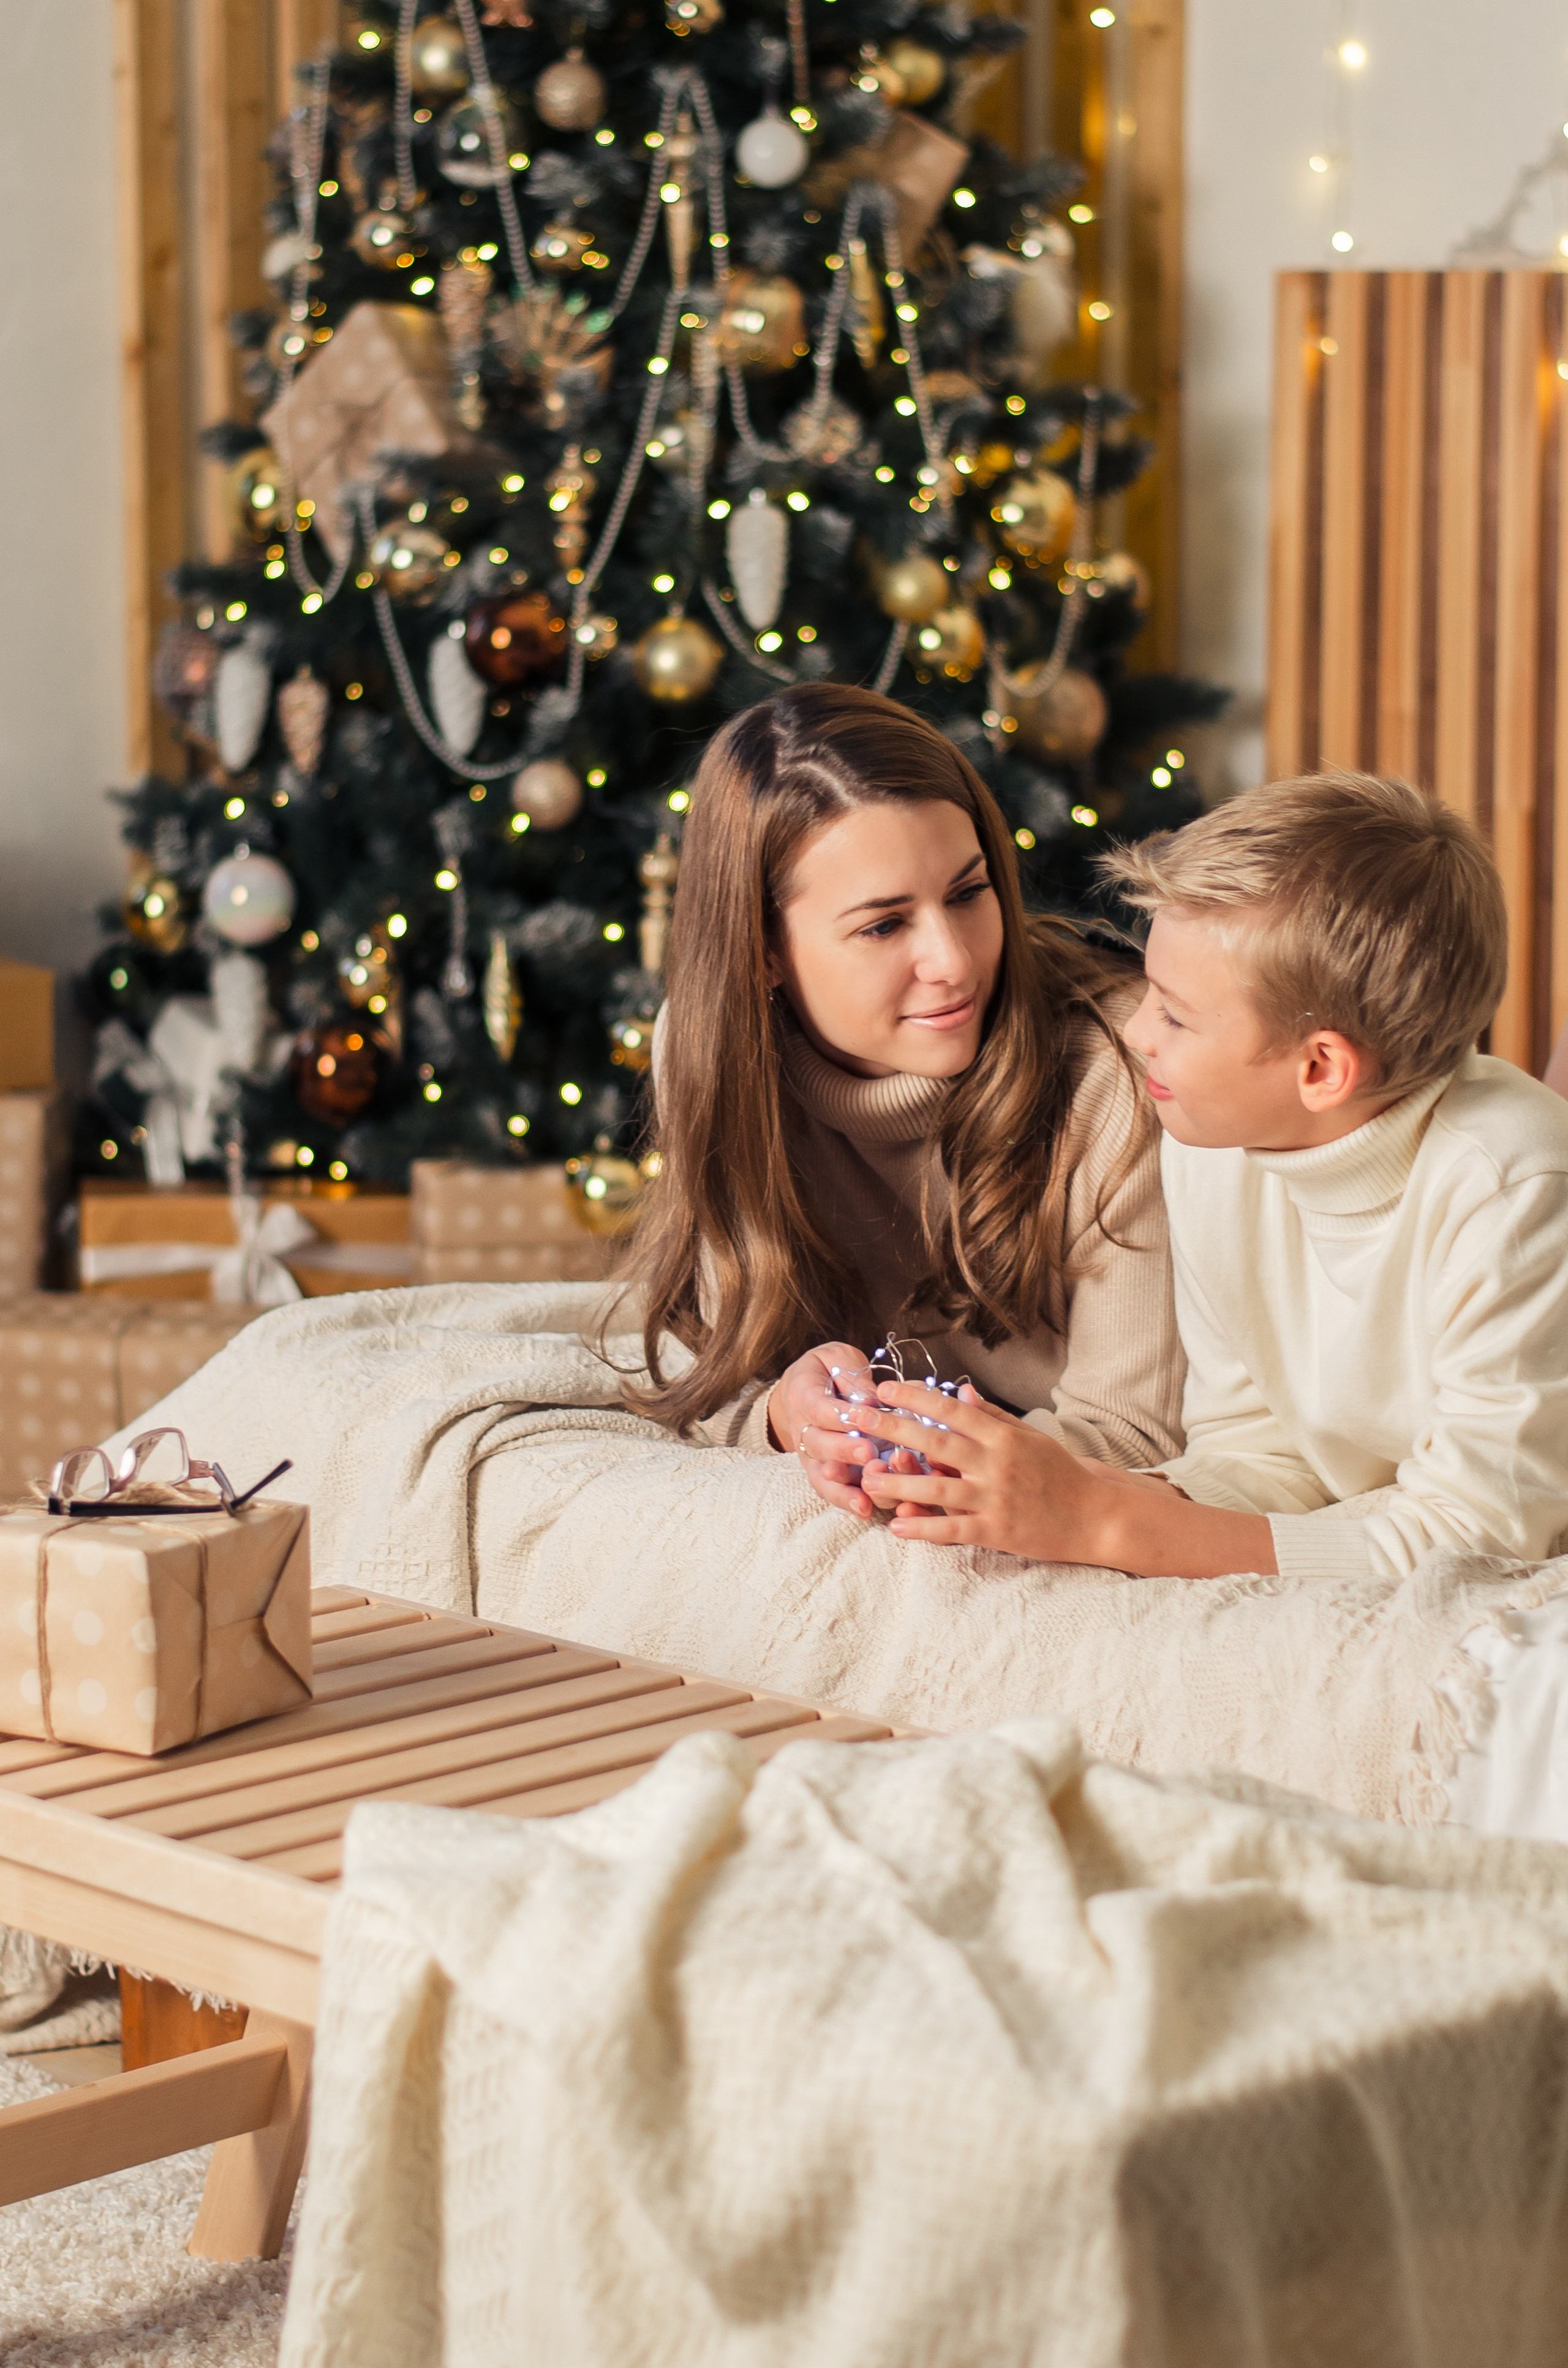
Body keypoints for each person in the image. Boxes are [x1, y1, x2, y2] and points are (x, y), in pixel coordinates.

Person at [828, 771, 1568, 1581]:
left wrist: (1112, 1525)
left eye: (1175, 1014)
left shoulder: (1514, 1189)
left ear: (1320, 1069)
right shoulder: (1211, 1141)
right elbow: (1258, 1444)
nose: (1137, 1031)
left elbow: (1481, 1538)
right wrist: (1067, 1490)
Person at [620, 681, 1185, 1492]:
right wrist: (788, 1413)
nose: (954, 961)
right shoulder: (711, 1050)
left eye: (968, 892)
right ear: (763, 952)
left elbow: (1138, 1438)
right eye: (883, 925)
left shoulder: (1121, 1063)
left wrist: (917, 1463)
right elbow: (716, 1379)